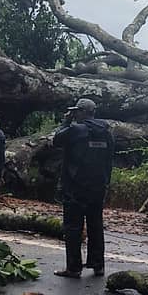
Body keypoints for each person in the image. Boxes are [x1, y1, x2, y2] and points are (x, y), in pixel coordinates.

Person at [50, 99, 115, 278]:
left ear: (81, 112)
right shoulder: (106, 132)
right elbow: (110, 159)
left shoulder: (75, 130)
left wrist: (66, 121)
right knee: (96, 226)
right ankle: (98, 265)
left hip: (75, 187)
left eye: (77, 111)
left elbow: (56, 140)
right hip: (98, 187)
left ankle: (73, 267)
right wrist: (106, 183)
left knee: (73, 228)